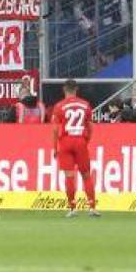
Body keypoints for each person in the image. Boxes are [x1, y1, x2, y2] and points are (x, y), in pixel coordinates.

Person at [50, 79, 98, 217]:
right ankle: (92, 207)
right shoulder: (85, 105)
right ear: (76, 89)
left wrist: (54, 148)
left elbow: (54, 129)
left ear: (64, 90)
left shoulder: (59, 106)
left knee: (69, 176)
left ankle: (72, 208)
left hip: (65, 141)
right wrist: (86, 141)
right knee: (86, 175)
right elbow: (90, 126)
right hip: (80, 141)